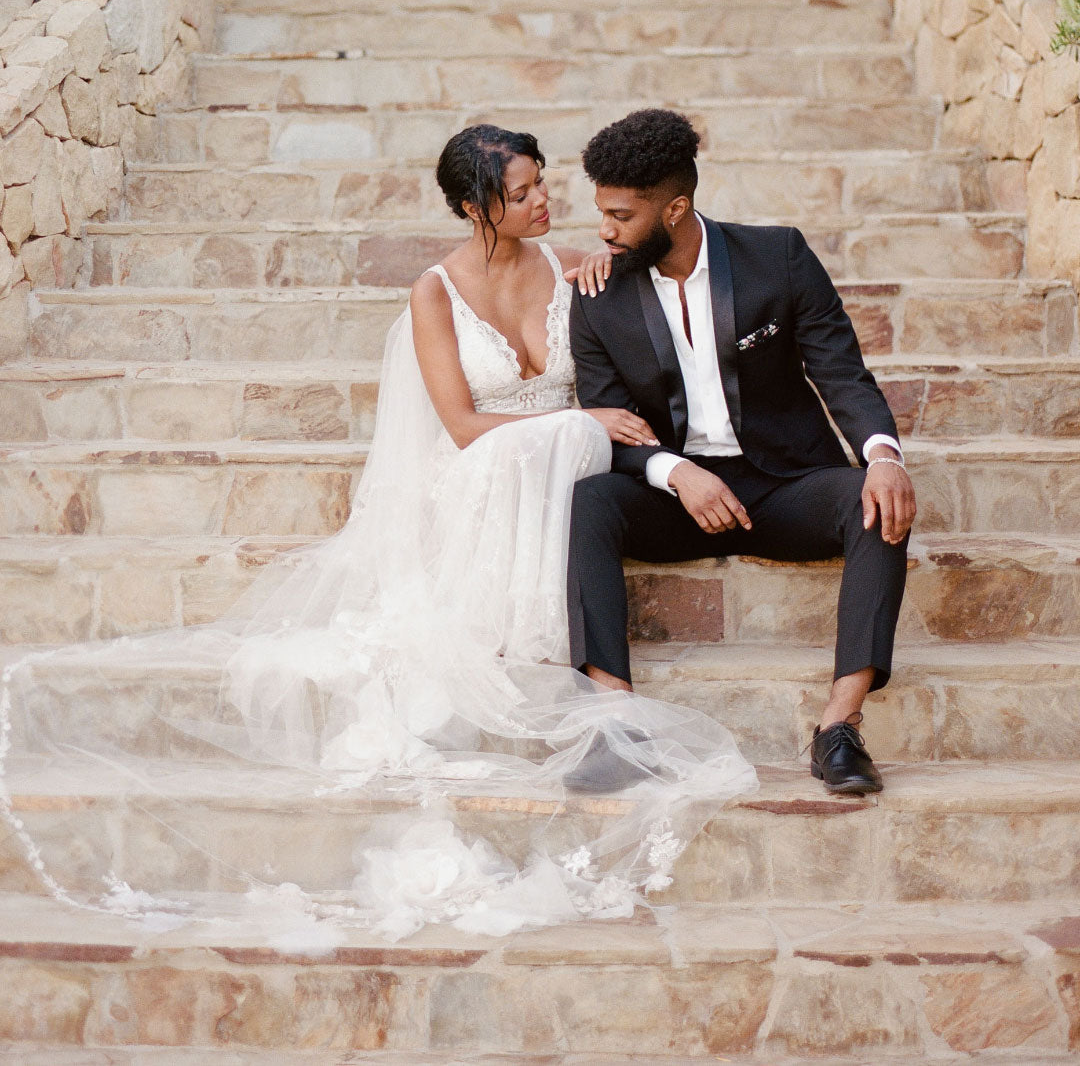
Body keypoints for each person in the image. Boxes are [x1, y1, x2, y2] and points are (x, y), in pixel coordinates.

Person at [0, 123, 756, 946]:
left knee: (574, 442)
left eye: (543, 185)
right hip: (480, 468)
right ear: (477, 208)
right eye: (524, 193)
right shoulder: (435, 293)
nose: (546, 201)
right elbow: (464, 427)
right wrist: (580, 418)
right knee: (571, 438)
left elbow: (655, 271)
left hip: (549, 475)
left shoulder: (573, 267)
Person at [568, 109, 916, 796]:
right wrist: (676, 472)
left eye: (621, 215)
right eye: (602, 213)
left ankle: (839, 727)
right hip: (675, 498)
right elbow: (608, 422)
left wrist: (883, 456)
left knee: (877, 500)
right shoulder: (598, 297)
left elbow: (842, 373)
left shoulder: (777, 258)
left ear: (675, 208)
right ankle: (615, 723)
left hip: (783, 483)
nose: (605, 231)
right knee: (586, 500)